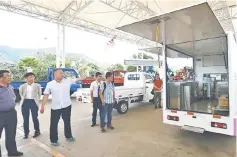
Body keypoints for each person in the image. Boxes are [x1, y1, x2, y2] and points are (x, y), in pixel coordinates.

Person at [40, 69, 85, 146]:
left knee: (67, 122)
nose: (62, 74)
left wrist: (83, 76)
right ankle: (54, 140)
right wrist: (42, 106)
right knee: (54, 124)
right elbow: (46, 95)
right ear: (55, 74)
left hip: (66, 106)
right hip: (55, 107)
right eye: (60, 73)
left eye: (62, 73)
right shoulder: (50, 84)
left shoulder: (68, 81)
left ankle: (68, 136)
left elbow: (78, 79)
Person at [0, 70, 23, 156]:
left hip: (11, 113)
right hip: (1, 114)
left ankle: (12, 151)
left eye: (10, 75)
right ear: (1, 77)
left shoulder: (10, 87)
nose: (10, 77)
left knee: (11, 134)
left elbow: (14, 97)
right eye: (7, 76)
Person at [19, 72, 41, 139]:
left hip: (33, 102)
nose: (32, 78)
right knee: (25, 118)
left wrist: (36, 100)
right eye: (30, 77)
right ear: (27, 78)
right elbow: (21, 94)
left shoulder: (37, 85)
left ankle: (37, 131)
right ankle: (26, 133)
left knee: (35, 117)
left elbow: (39, 94)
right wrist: (24, 100)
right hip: (25, 102)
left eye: (33, 77)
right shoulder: (22, 86)